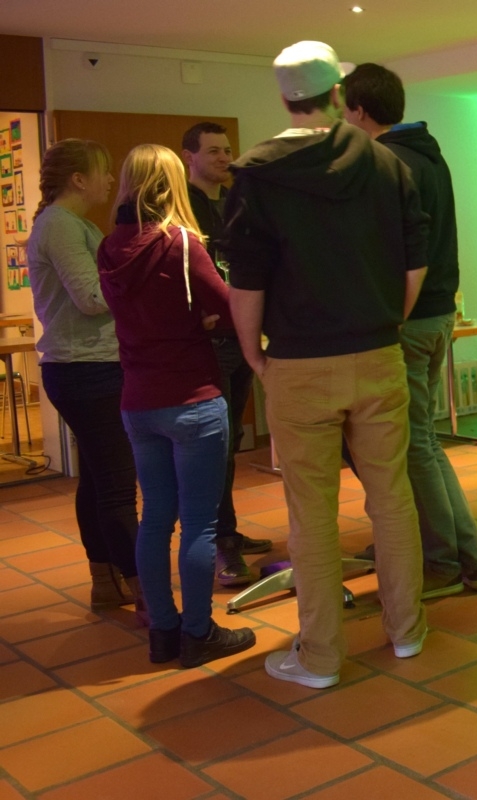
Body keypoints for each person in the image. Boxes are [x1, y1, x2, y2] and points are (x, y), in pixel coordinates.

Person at [222, 40, 429, 689]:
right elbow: (414, 264)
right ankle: (407, 630)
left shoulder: (257, 175)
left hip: (299, 362)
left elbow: (246, 281)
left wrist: (253, 352)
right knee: (391, 497)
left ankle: (319, 657)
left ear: (285, 98)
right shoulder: (386, 163)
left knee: (310, 512)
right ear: (338, 95)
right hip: (378, 353)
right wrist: (386, 323)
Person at [98, 144, 256, 667]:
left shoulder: (110, 247)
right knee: (199, 524)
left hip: (138, 402)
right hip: (192, 398)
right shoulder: (181, 243)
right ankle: (198, 632)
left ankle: (163, 634)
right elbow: (230, 309)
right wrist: (204, 321)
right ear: (172, 185)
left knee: (155, 520)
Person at [342, 63, 477, 597]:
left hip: (406, 317)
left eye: (345, 110)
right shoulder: (428, 153)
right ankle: (468, 557)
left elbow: (385, 250)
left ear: (359, 109)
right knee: (423, 442)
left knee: (412, 448)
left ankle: (442, 561)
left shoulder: (386, 162)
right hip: (437, 311)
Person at [26, 139, 145, 623]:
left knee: (99, 479)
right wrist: (143, 274)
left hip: (86, 367)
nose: (110, 180)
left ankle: (107, 582)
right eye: (102, 171)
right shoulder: (60, 224)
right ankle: (148, 595)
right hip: (86, 370)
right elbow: (93, 298)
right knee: (117, 484)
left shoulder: (75, 224)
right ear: (78, 179)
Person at [181, 121, 272, 587]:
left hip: (241, 337)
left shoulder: (235, 201)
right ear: (190, 157)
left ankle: (228, 532)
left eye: (227, 149)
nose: (224, 157)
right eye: (213, 150)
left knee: (231, 440)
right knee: (214, 447)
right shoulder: (183, 209)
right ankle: (221, 544)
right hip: (210, 343)